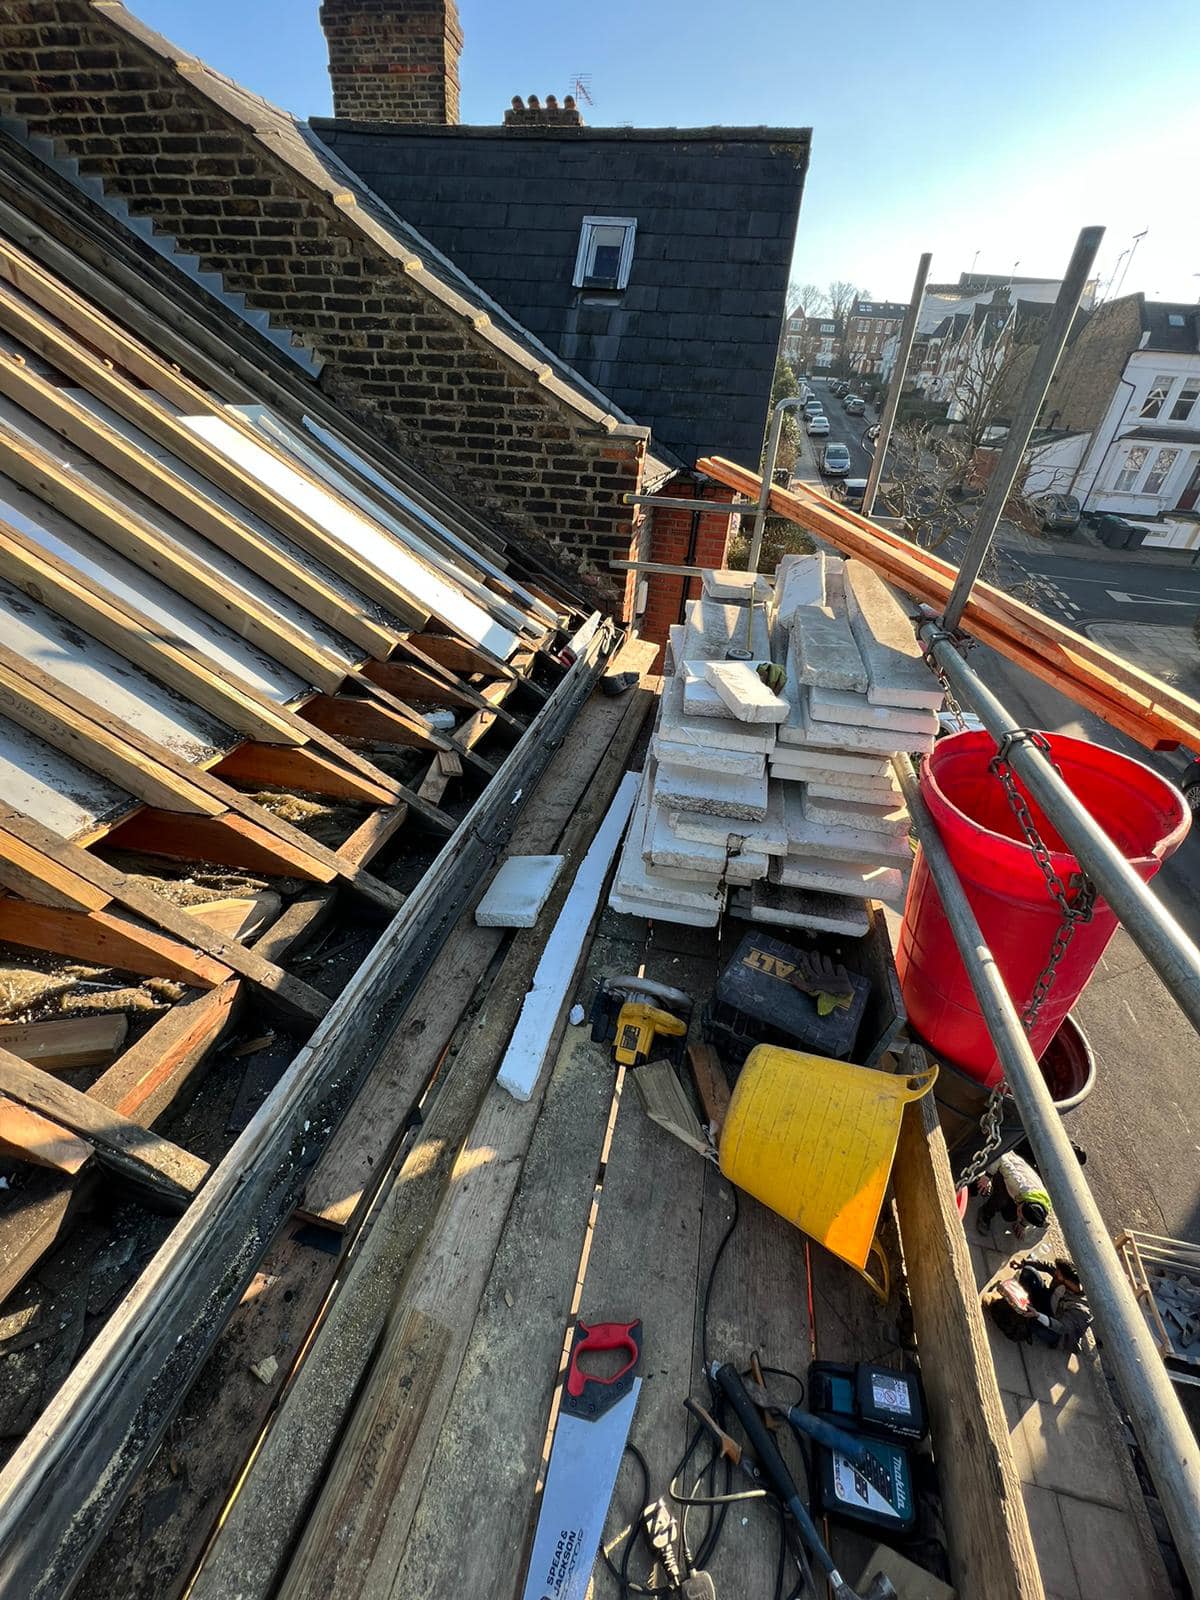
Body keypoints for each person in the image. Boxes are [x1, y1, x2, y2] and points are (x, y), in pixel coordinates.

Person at [975, 1150, 1052, 1240]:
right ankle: (986, 1212)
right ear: (1025, 1203)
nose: (1019, 1216)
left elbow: (1032, 1215)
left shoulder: (1044, 1207)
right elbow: (1002, 1157)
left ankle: (1002, 1201)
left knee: (1009, 1216)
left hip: (1019, 1192)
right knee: (1001, 1199)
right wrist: (987, 1176)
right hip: (1004, 1167)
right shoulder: (1017, 1181)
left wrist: (1023, 1225)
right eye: (1020, 1211)